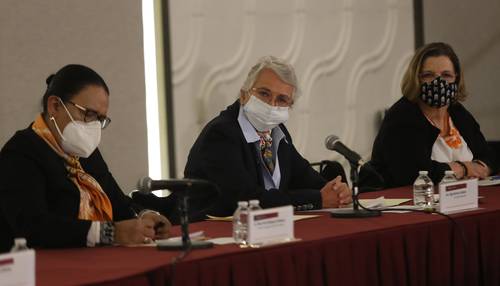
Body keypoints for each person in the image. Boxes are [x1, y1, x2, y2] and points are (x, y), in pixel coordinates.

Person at [0, 64, 170, 250]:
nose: (94, 126)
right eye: (89, 114)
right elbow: (33, 226)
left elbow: (117, 201)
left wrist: (144, 217)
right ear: (54, 106)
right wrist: (109, 233)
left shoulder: (86, 153)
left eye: (100, 119)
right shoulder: (21, 152)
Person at [184, 56, 352, 216]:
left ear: (289, 106)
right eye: (264, 94)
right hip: (212, 234)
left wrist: (336, 191)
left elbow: (303, 175)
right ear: (244, 95)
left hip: (265, 230)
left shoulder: (278, 132)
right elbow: (246, 198)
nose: (272, 105)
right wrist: (318, 199)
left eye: (282, 99)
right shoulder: (221, 134)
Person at [370, 42, 496, 188]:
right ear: (416, 78)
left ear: (457, 78)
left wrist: (482, 167)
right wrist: (464, 168)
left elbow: (488, 154)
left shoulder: (457, 112)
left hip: (463, 200)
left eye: (446, 75)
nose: (438, 82)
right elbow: (413, 174)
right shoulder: (402, 117)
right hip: (413, 204)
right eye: (428, 75)